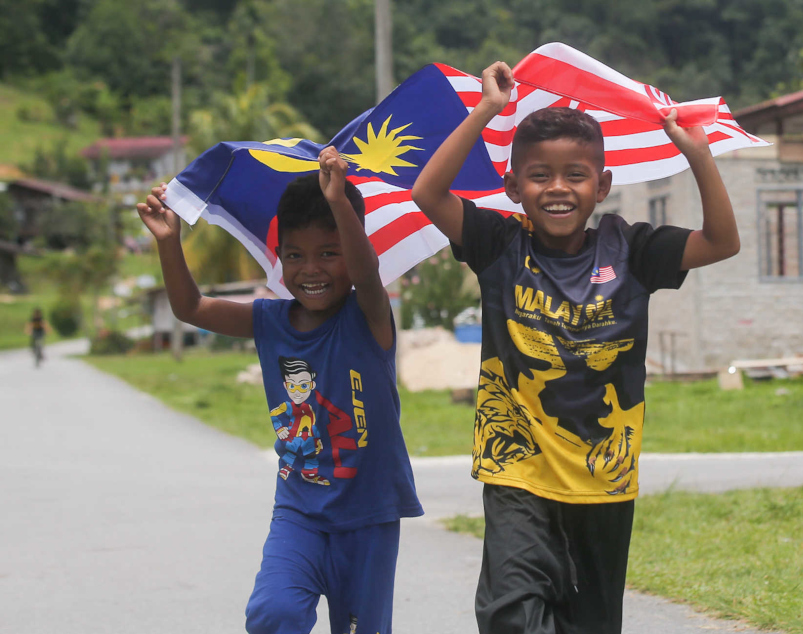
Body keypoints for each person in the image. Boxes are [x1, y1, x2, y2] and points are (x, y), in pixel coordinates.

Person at [411, 62, 741, 634]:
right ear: (514, 188)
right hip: (515, 470)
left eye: (575, 175)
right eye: (539, 175)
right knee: (509, 616)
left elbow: (721, 242)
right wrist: (487, 110)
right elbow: (427, 191)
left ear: (602, 186)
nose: (558, 187)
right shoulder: (498, 244)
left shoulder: (633, 248)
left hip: (602, 479)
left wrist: (699, 156)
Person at [136, 146, 423, 634]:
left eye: (328, 254)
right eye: (295, 255)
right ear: (279, 258)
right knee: (274, 614)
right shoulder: (268, 321)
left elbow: (367, 273)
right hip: (300, 512)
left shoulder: (368, 316)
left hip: (369, 516)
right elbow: (192, 308)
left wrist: (338, 201)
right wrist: (169, 240)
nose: (310, 269)